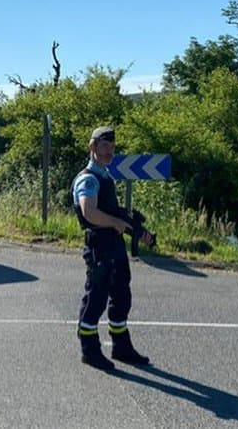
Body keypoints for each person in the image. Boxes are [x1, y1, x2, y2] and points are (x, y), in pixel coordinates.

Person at [72, 126, 154, 371]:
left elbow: (113, 214)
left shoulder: (105, 176)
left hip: (114, 246)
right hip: (99, 246)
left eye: (112, 147)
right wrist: (117, 222)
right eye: (103, 146)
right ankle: (89, 350)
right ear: (92, 147)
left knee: (121, 296)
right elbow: (89, 212)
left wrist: (139, 232)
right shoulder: (88, 178)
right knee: (96, 298)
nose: (108, 151)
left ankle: (121, 346)